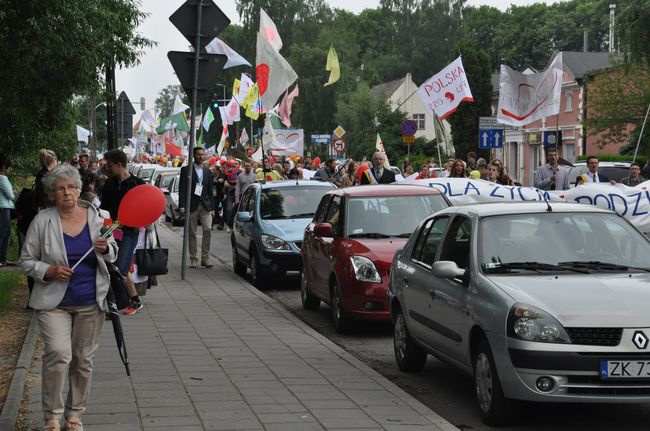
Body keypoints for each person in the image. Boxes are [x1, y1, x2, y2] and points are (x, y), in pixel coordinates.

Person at [20, 165, 118, 431]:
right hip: (54, 303)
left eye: (71, 187)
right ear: (51, 195)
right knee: (58, 353)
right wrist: (48, 270)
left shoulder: (99, 218)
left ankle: (74, 415)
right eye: (59, 189)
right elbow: (26, 261)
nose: (66, 192)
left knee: (83, 360)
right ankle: (52, 416)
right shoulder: (42, 221)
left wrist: (107, 247)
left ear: (79, 189)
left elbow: (114, 250)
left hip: (90, 301)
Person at [100, 149, 146, 314]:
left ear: (119, 165)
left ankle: (116, 302)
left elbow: (145, 209)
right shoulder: (109, 184)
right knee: (118, 266)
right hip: (112, 231)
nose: (108, 168)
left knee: (120, 267)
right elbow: (104, 209)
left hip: (130, 231)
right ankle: (134, 300)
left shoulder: (137, 184)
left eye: (110, 165)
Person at [179, 147, 215, 268]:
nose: (201, 156)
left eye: (203, 154)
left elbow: (210, 191)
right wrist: (182, 206)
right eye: (199, 154)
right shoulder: (186, 170)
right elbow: (182, 189)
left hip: (205, 205)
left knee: (208, 229)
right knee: (192, 233)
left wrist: (213, 208)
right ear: (194, 156)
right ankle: (193, 258)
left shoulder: (207, 171)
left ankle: (205, 258)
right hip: (191, 205)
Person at [0, 156, 14, 266]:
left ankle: (3, 258)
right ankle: (1, 258)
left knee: (6, 232)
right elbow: (11, 195)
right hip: (3, 208)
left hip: (5, 207)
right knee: (3, 233)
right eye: (9, 168)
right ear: (4, 168)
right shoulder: (2, 178)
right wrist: (13, 192)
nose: (10, 170)